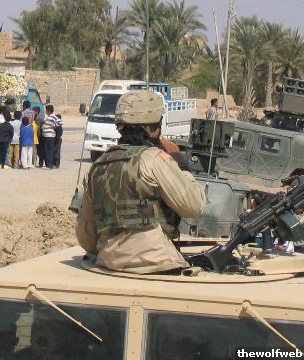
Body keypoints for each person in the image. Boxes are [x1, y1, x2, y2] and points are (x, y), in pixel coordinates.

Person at [77, 90, 206, 274]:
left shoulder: (97, 167)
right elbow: (194, 207)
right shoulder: (155, 160)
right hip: (157, 263)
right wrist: (182, 168)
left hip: (108, 263)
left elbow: (86, 237)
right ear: (151, 128)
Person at [41, 105, 59, 169]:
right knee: (47, 150)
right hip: (46, 135)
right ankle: (48, 164)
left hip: (50, 136)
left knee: (49, 151)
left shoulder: (53, 117)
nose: (46, 111)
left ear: (48, 110)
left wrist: (53, 126)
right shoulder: (48, 117)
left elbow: (60, 122)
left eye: (46, 110)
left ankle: (49, 165)